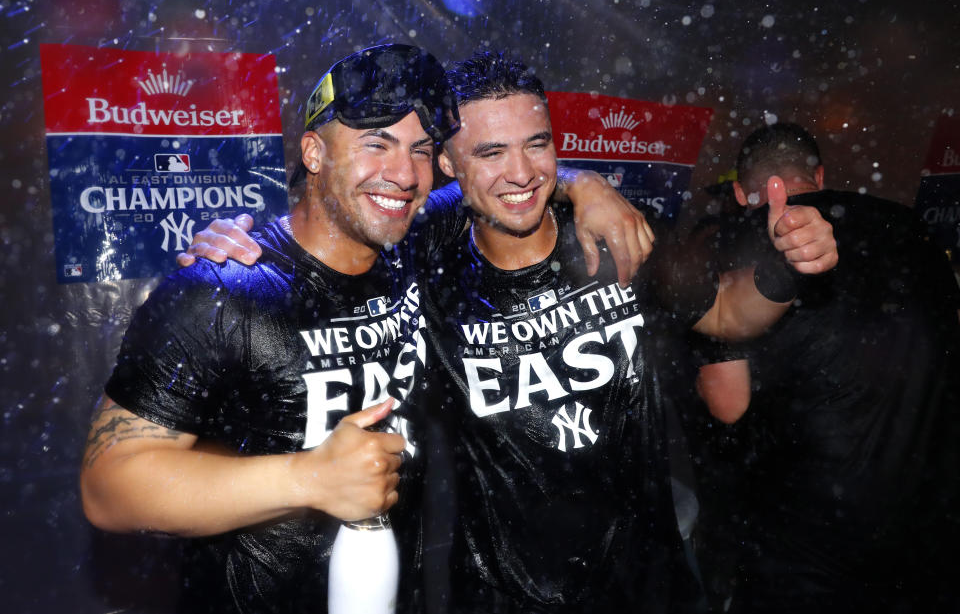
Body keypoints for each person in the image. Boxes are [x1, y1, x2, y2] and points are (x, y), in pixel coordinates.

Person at [190, 52, 840, 613]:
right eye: (491, 152)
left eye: (537, 143)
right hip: (501, 593)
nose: (521, 172)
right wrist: (248, 243)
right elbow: (331, 235)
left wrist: (784, 268)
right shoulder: (425, 272)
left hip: (646, 587)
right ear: (447, 162)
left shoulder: (616, 242)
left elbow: (728, 315)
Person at [81, 43, 658, 614]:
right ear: (314, 152)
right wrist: (308, 477)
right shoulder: (223, 287)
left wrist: (587, 186)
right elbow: (110, 486)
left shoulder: (415, 243)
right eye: (376, 144)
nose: (404, 174)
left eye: (421, 150)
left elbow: (508, 180)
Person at [692, 122, 960, 613]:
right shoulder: (912, 227)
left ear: (738, 189)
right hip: (924, 525)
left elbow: (727, 403)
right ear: (819, 174)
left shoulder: (738, 240)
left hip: (804, 542)